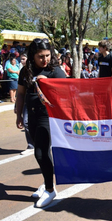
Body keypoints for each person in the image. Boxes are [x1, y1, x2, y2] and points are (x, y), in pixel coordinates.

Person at [16, 38, 66, 208]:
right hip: (32, 115)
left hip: (48, 116)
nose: (44, 60)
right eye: (40, 56)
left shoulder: (55, 71)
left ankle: (51, 190)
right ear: (33, 55)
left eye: (47, 55)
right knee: (43, 154)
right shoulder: (26, 71)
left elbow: (68, 92)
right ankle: (46, 182)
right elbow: (21, 93)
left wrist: (49, 83)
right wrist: (19, 114)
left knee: (40, 152)